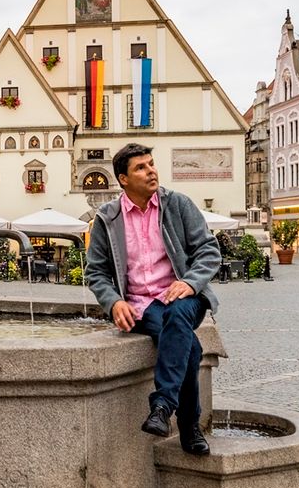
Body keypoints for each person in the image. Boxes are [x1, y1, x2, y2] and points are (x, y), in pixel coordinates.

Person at [84, 143, 222, 455]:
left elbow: (208, 251)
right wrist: (113, 302)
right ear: (123, 179)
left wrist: (189, 281)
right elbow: (97, 272)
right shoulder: (108, 218)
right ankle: (189, 427)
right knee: (190, 346)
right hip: (139, 306)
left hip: (185, 297)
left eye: (151, 164)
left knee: (177, 317)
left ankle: (162, 405)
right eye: (141, 168)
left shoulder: (178, 205)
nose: (151, 171)